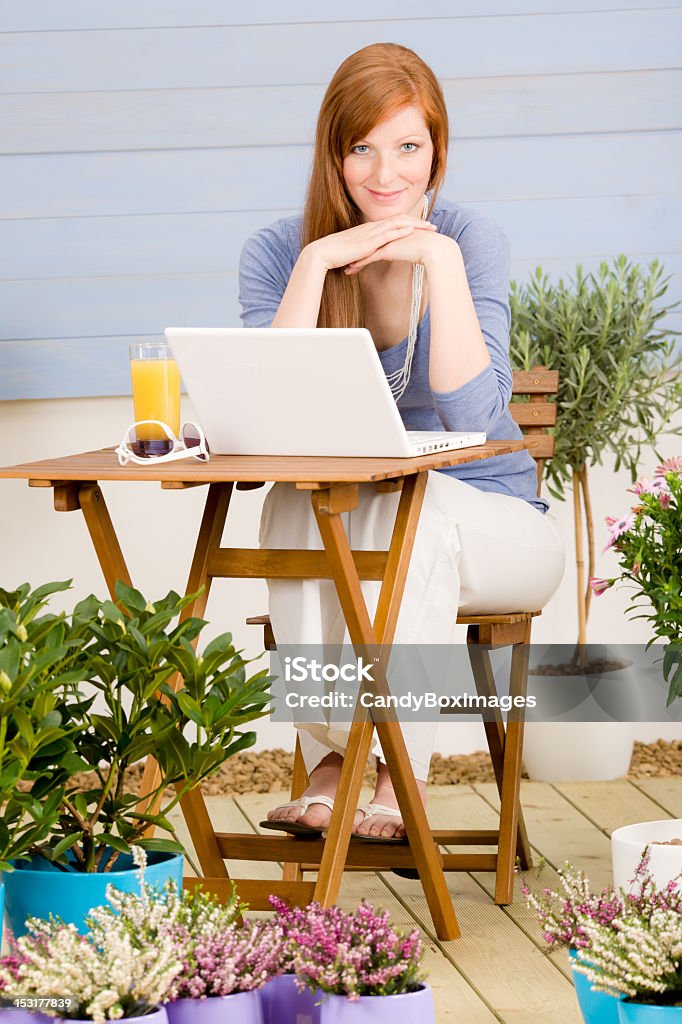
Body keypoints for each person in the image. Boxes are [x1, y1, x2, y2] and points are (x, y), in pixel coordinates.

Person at [238, 43, 565, 841]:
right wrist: (318, 263)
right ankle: (334, 757)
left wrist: (441, 263)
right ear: (334, 155)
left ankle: (387, 764)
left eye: (408, 147)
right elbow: (267, 428)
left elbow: (474, 420)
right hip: (370, 523)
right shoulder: (279, 251)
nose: (387, 174)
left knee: (407, 511)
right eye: (363, 148)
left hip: (499, 528)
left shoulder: (466, 239)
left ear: (436, 153)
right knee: (293, 503)